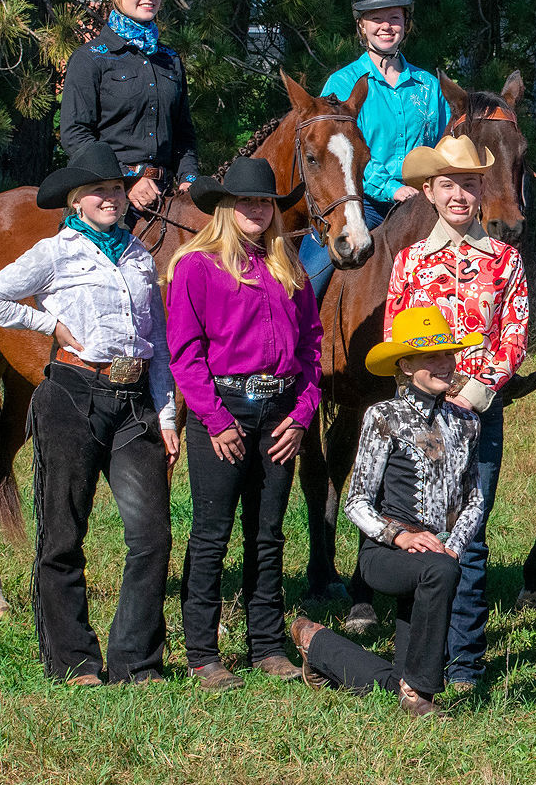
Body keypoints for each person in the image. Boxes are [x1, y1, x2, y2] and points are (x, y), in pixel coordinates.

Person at [0, 144, 180, 684]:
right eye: (98, 192)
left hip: (134, 402)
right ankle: (74, 660)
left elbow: (155, 342)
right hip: (72, 393)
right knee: (63, 533)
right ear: (76, 201)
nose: (110, 198)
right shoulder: (55, 252)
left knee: (152, 536)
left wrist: (168, 415)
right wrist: (47, 326)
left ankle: (137, 660)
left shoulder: (137, 255)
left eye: (115, 189)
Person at [164, 157, 321, 691]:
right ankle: (202, 653)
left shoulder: (289, 266)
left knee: (269, 533)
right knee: (212, 533)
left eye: (266, 202)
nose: (258, 210)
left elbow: (310, 349)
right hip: (225, 408)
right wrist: (213, 419)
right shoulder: (197, 266)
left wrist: (301, 416)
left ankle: (266, 643)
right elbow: (185, 353)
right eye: (247, 201)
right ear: (226, 208)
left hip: (280, 411)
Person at [382, 134, 529, 690]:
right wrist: (418, 398)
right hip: (423, 413)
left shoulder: (504, 260)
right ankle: (421, 651)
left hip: (475, 410)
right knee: (421, 526)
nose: (461, 195)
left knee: (469, 527)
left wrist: (478, 390)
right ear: (429, 191)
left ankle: (465, 660)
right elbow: (397, 333)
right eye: (449, 184)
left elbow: (513, 331)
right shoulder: (411, 262)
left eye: (470, 184)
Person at [289, 307, 486, 718]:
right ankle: (421, 695)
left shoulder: (467, 423)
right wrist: (400, 536)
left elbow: (474, 499)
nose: (446, 364)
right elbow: (356, 502)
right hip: (385, 556)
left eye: (449, 354)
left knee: (401, 670)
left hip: (437, 558)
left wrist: (453, 547)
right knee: (441, 575)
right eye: (432, 356)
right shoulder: (383, 417)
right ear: (406, 365)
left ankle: (320, 645)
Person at [299, 0, 452, 297]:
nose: (386, 26)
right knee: (309, 278)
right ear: (361, 25)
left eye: (394, 17)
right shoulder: (340, 85)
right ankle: (299, 336)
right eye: (375, 18)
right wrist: (391, 188)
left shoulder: (428, 86)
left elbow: (444, 146)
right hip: (360, 205)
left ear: (406, 23)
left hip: (422, 203)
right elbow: (333, 157)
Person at [59, 0, 199, 213]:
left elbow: (184, 135)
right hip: (107, 197)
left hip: (167, 195)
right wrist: (127, 180)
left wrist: (189, 180)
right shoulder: (90, 58)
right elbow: (75, 135)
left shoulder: (170, 60)